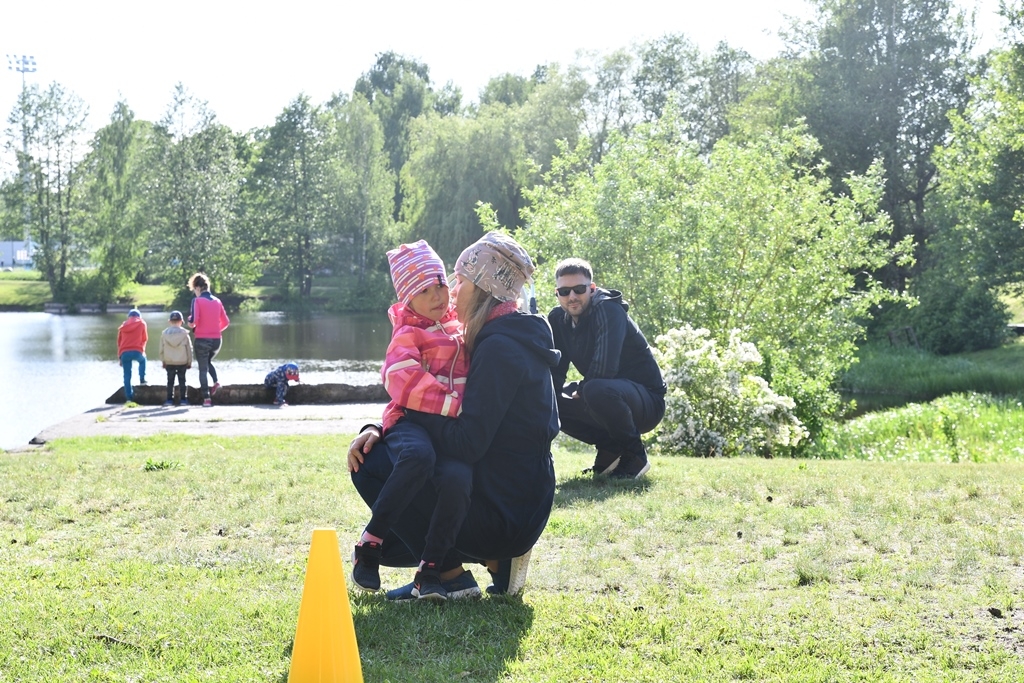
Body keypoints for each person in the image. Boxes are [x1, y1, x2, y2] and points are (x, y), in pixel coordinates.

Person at [348, 231, 559, 601]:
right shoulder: (513, 334)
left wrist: (400, 423)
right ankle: (486, 564)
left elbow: (467, 441)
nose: (450, 292)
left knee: (372, 464)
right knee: (411, 469)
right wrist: (386, 425)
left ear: (481, 288)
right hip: (522, 498)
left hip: (506, 512)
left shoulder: (499, 349)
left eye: (457, 281)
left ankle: (451, 573)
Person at [350, 240, 472, 601]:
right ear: (407, 298)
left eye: (440, 285)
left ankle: (430, 569)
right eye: (423, 290)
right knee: (418, 457)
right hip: (410, 422)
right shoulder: (408, 332)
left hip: (445, 429)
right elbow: (401, 378)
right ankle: (371, 541)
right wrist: (454, 406)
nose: (437, 295)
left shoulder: (459, 330)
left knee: (457, 477)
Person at [547, 258, 666, 479]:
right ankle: (610, 450)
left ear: (591, 289)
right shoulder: (557, 319)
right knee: (548, 398)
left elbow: (604, 368)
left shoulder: (608, 308)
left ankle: (635, 456)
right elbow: (555, 370)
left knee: (595, 388)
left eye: (579, 289)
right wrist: (545, 400)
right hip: (605, 392)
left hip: (647, 401)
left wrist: (581, 391)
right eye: (564, 291)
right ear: (557, 293)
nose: (572, 297)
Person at [187, 273, 230, 408]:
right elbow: (226, 322)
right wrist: (215, 330)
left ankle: (206, 398)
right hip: (217, 341)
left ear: (198, 288)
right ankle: (216, 382)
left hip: (202, 340)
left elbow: (194, 321)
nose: (195, 293)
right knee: (207, 362)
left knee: (202, 369)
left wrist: (189, 322)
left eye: (194, 290)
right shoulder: (217, 301)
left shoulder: (197, 301)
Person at [159, 310, 193, 406]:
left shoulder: (164, 334)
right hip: (182, 361)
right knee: (182, 381)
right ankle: (183, 399)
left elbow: (161, 349)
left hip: (169, 361)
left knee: (170, 381)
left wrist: (163, 360)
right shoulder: (185, 334)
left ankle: (169, 400)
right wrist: (189, 361)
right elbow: (189, 349)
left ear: (169, 321)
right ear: (181, 321)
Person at [116, 309, 148, 402]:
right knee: (142, 360)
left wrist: (120, 357)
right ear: (139, 316)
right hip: (137, 350)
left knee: (127, 375)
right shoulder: (142, 323)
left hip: (124, 352)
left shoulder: (123, 326)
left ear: (129, 317)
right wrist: (142, 350)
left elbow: (119, 342)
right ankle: (142, 379)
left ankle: (129, 398)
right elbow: (144, 339)